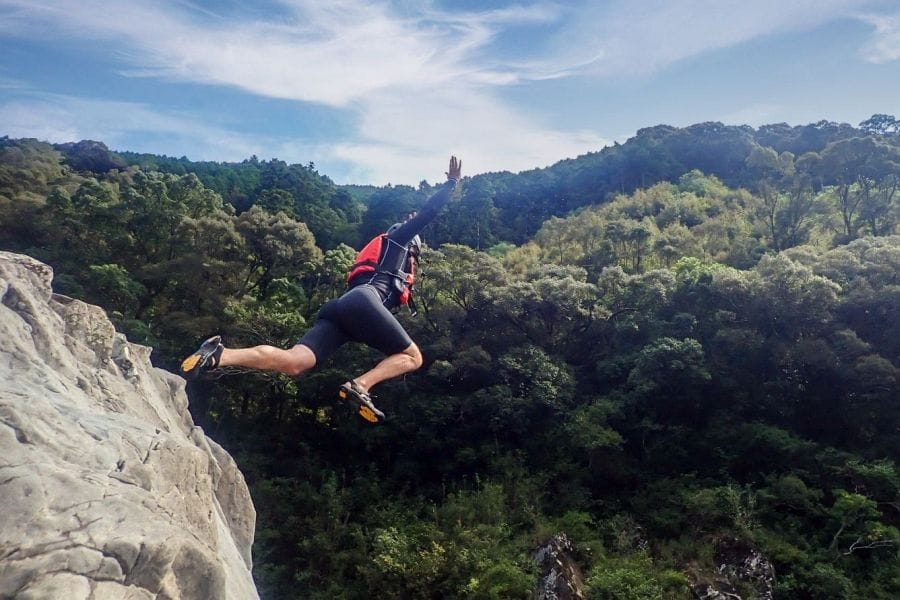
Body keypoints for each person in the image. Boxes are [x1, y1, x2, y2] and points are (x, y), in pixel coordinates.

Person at [181, 156, 462, 423]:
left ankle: (218, 355)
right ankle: (360, 386)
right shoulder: (398, 241)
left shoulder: (384, 253)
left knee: (294, 363)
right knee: (413, 357)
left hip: (342, 311)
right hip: (363, 303)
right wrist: (450, 185)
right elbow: (428, 213)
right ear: (412, 247)